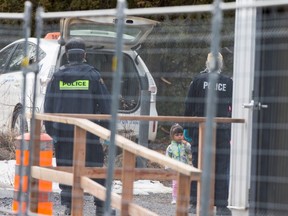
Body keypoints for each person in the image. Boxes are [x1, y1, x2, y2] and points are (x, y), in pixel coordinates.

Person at [44, 37, 113, 216]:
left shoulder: (57, 76)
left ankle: (68, 205)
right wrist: (105, 130)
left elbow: (48, 106)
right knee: (95, 167)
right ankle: (101, 206)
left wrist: (52, 132)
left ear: (67, 55)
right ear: (84, 55)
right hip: (89, 133)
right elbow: (106, 106)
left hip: (63, 134)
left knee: (66, 169)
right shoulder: (93, 75)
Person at [184, 52, 233, 215]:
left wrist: (186, 127)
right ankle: (221, 205)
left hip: (200, 129)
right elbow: (232, 107)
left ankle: (194, 202)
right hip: (222, 130)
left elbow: (189, 106)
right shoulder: (228, 82)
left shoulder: (198, 80)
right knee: (221, 166)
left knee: (198, 165)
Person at [165, 123, 191, 205]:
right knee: (175, 184)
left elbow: (189, 150)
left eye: (181, 134)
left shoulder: (184, 145)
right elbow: (167, 157)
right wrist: (168, 167)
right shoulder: (170, 147)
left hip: (184, 166)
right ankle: (175, 197)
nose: (179, 136)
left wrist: (186, 143)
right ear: (172, 136)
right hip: (175, 168)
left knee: (185, 183)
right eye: (177, 135)